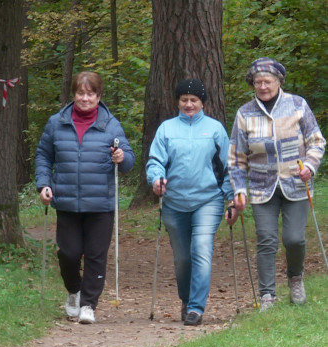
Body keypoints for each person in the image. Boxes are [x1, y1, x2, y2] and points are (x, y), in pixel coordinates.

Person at [226, 57, 325, 311]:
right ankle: (267, 295)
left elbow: (316, 141)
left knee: (294, 239)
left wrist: (310, 167)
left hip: (296, 184)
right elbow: (236, 158)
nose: (262, 86)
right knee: (266, 239)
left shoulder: (297, 105)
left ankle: (295, 278)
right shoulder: (245, 113)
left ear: (278, 81)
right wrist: (239, 189)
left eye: (267, 81)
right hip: (261, 187)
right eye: (257, 82)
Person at [35, 71, 135, 324]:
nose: (85, 98)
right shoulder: (57, 122)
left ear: (99, 96)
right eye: (81, 93)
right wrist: (43, 184)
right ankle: (74, 291)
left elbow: (128, 159)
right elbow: (44, 156)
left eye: (91, 93)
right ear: (74, 94)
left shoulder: (111, 124)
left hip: (100, 202)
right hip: (67, 200)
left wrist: (121, 158)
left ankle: (89, 304)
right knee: (68, 253)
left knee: (95, 254)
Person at [146, 79, 234, 326]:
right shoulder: (166, 129)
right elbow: (155, 160)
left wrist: (231, 199)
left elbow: (228, 167)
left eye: (193, 100)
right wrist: (156, 179)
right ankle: (185, 299)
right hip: (174, 202)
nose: (188, 104)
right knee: (183, 258)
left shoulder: (215, 129)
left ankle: (196, 307)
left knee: (202, 251)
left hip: (208, 200)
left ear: (202, 102)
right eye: (184, 99)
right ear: (177, 101)